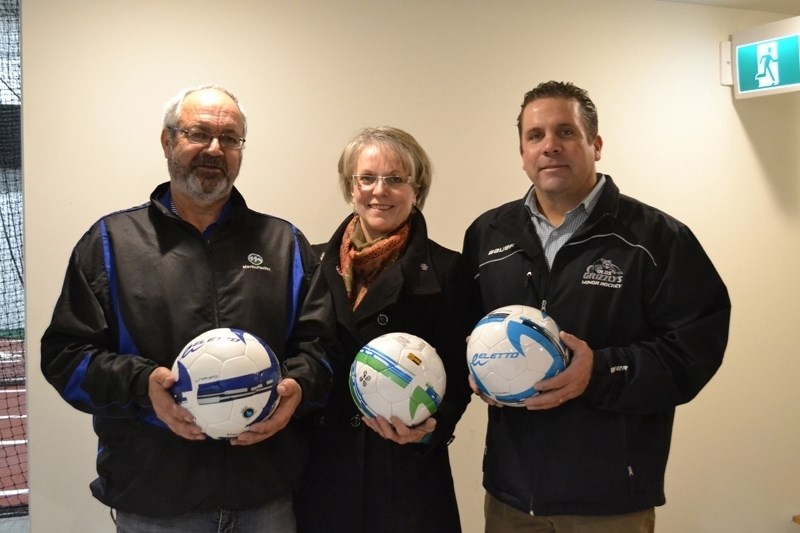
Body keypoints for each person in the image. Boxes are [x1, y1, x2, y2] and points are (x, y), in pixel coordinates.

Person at [40, 84, 335, 533]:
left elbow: (321, 349)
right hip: (154, 501)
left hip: (265, 499)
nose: (214, 149)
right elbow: (65, 357)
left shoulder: (285, 245)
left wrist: (299, 387)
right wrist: (143, 385)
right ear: (167, 141)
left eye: (230, 138)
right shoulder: (110, 243)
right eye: (199, 133)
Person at [461, 81, 731, 532]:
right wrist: (474, 367)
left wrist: (600, 370)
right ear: (523, 153)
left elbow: (693, 351)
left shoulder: (656, 238)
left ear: (596, 144)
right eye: (535, 135)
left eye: (565, 132)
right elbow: (462, 329)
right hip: (510, 496)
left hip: (609, 501)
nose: (550, 146)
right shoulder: (488, 234)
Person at [294, 126, 473, 533]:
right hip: (322, 473)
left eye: (396, 179)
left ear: (416, 188)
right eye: (367, 178)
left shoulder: (448, 270)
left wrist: (431, 429)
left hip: (405, 477)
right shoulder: (310, 263)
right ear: (350, 186)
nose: (380, 191)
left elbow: (460, 376)